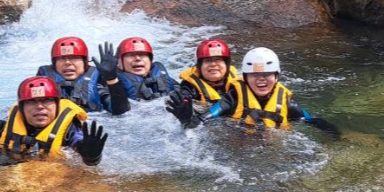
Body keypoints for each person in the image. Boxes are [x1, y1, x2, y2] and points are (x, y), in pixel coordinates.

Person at [167, 46, 338, 134]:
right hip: (236, 146)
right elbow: (202, 120)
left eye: (267, 74)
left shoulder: (287, 103)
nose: (261, 79)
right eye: (254, 75)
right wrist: (186, 120)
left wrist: (336, 136)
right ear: (245, 77)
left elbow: (314, 121)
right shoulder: (232, 99)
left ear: (277, 77)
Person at [36, 37, 129, 115]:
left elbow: (120, 111)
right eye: (62, 58)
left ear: (85, 62)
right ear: (54, 63)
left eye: (74, 58)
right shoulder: (43, 79)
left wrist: (112, 79)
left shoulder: (96, 81)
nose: (67, 62)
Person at [176, 38, 242, 109]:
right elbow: (185, 97)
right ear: (199, 66)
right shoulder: (189, 87)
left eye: (218, 59)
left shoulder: (237, 82)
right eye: (207, 60)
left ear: (226, 64)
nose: (213, 64)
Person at [116, 36, 177, 101]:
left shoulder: (163, 77)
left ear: (150, 60)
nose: (138, 58)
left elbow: (184, 94)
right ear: (120, 62)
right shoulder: (111, 83)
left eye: (142, 54)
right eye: (131, 55)